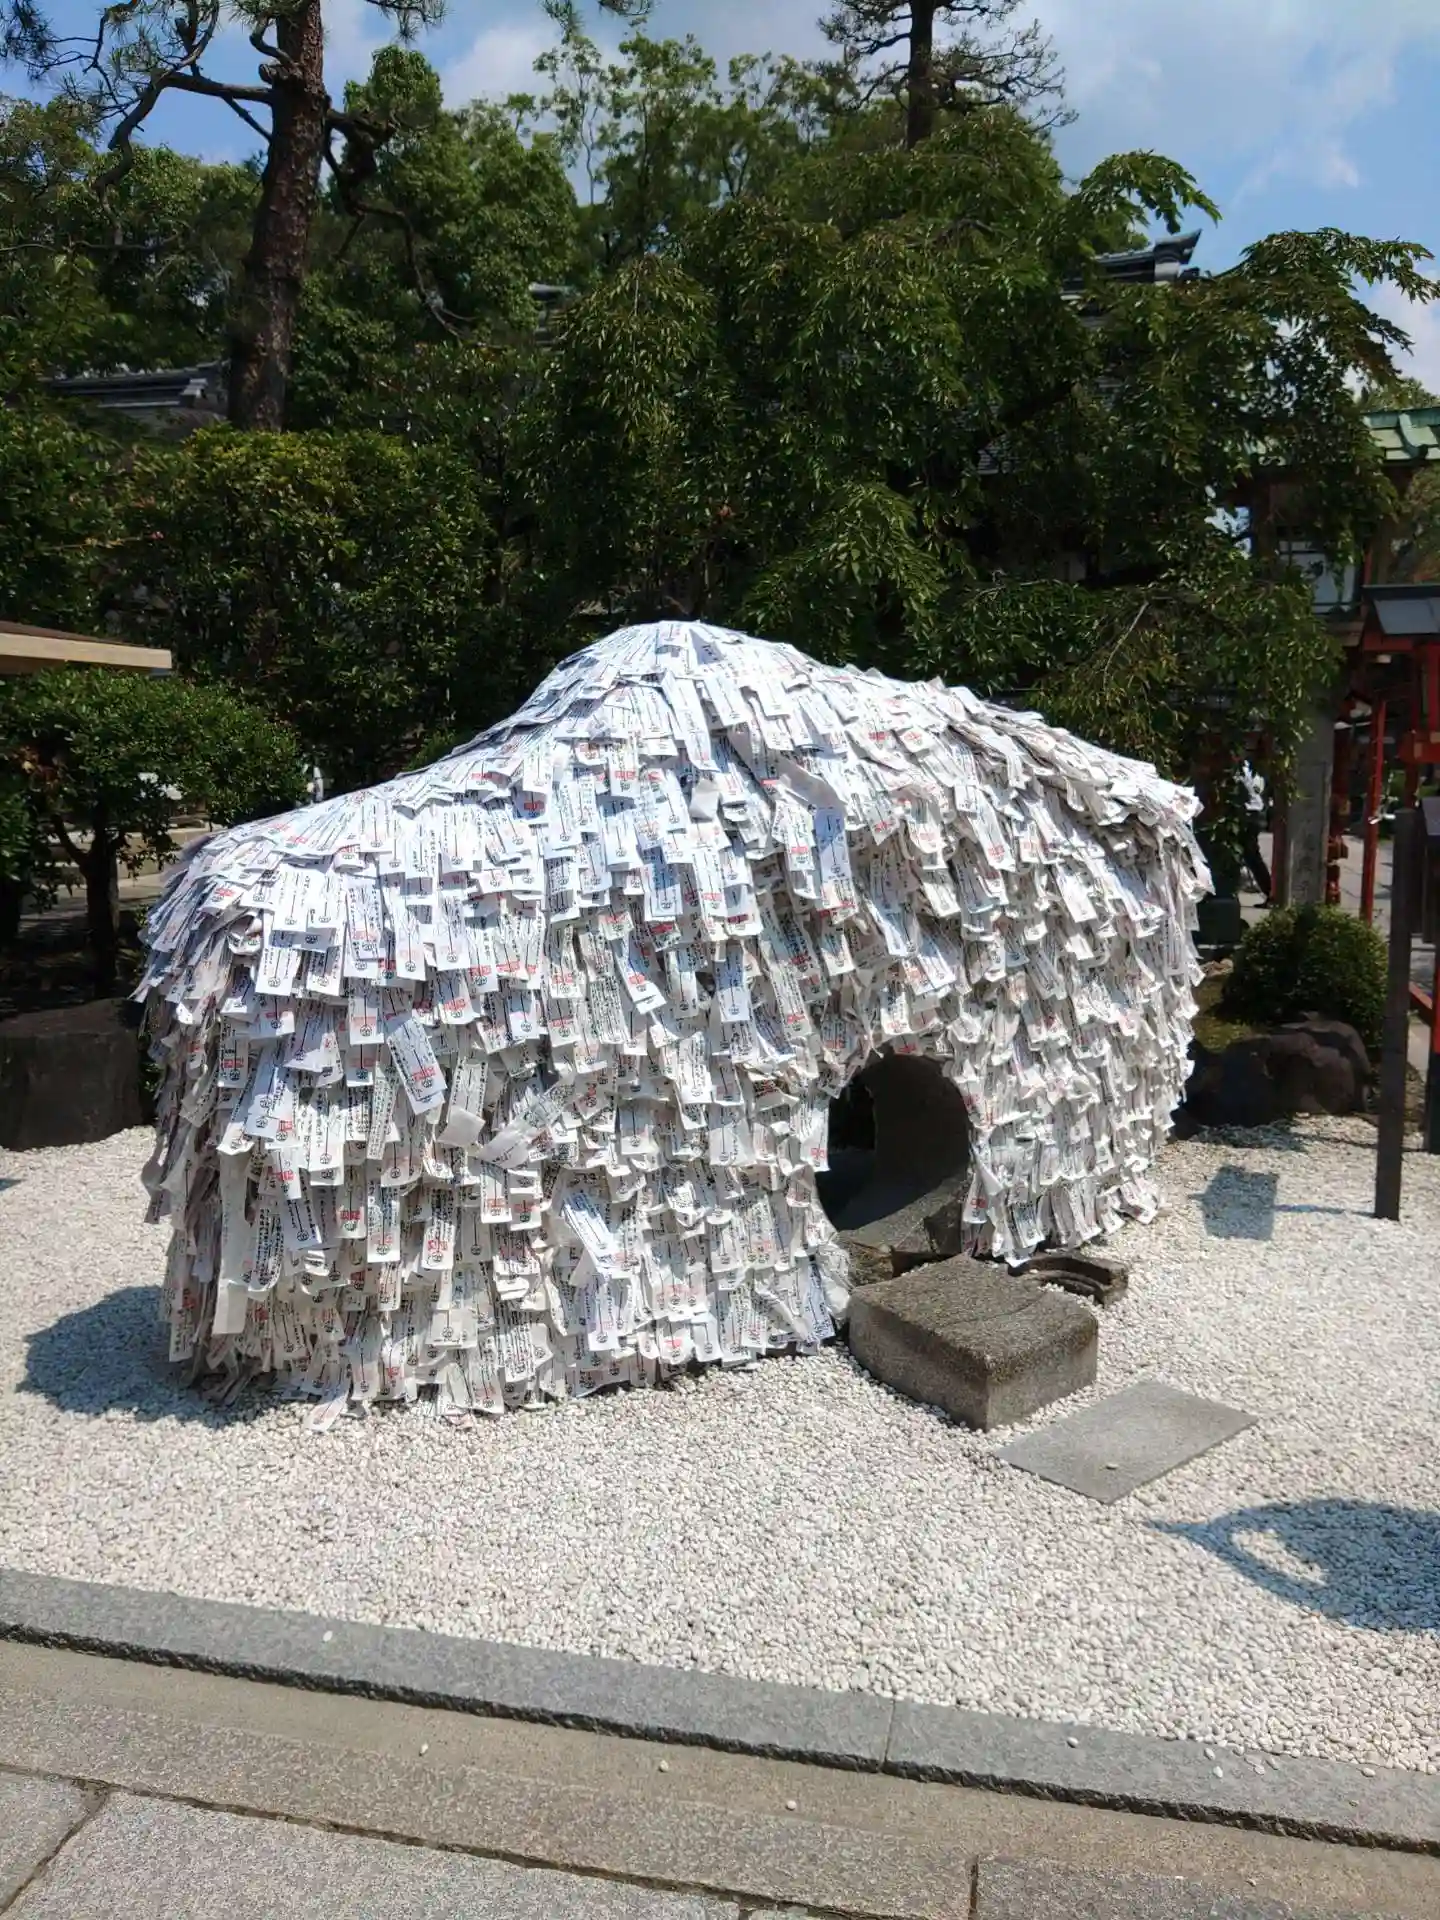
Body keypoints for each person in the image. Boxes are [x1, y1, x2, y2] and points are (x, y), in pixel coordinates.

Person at [1239, 761, 1270, 901]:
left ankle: (1269, 890)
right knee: (1252, 856)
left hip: (1248, 813)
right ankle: (1268, 890)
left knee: (1251, 856)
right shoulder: (1257, 771)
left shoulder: (1241, 770)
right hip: (1256, 812)